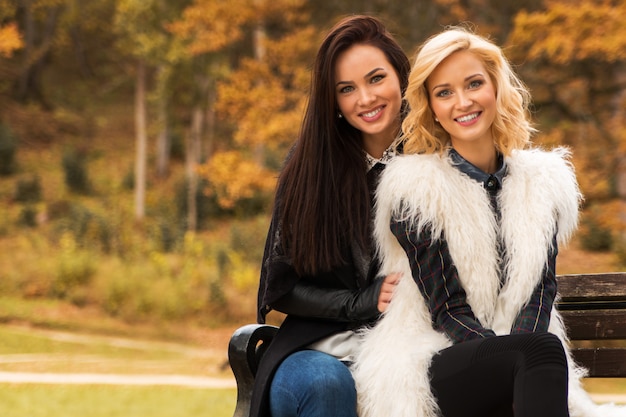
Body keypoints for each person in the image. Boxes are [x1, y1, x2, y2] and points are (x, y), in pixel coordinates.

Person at [352, 26, 626, 417]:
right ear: (430, 106)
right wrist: (506, 361)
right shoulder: (414, 188)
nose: (462, 102)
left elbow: (539, 294)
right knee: (537, 351)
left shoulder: (544, 182)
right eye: (444, 92)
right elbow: (447, 309)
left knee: (537, 349)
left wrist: (515, 364)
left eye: (473, 84)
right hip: (432, 360)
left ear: (496, 88)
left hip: (526, 364)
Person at [250, 15, 410, 417]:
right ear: (333, 100)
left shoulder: (436, 157)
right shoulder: (309, 166)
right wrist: (360, 302)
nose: (366, 98)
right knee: (327, 383)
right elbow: (281, 287)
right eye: (346, 89)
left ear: (401, 76)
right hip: (315, 351)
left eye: (376, 79)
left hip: (408, 347)